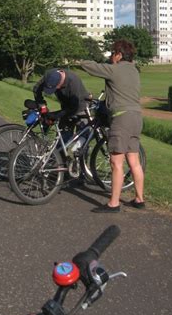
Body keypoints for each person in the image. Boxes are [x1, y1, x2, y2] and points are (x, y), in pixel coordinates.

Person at [80, 39, 145, 213]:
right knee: (134, 161)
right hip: (136, 117)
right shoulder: (134, 71)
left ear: (119, 54)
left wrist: (78, 60)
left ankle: (113, 204)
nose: (110, 57)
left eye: (112, 53)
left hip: (121, 119)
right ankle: (139, 199)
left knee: (116, 162)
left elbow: (90, 67)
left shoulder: (114, 70)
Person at [33, 68, 90, 135]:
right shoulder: (49, 75)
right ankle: (60, 143)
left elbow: (73, 108)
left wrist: (56, 115)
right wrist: (42, 105)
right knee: (62, 135)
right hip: (65, 105)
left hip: (80, 107)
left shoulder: (73, 81)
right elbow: (37, 89)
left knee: (82, 135)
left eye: (55, 88)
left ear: (60, 82)